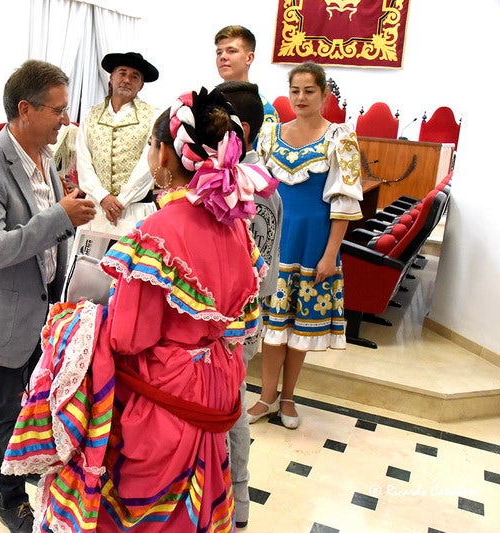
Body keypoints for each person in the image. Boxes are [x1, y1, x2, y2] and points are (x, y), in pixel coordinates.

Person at [2, 87, 278, 532]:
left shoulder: (158, 232)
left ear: (166, 156)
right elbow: (237, 323)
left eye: (151, 145)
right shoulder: (236, 225)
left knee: (145, 511)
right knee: (196, 496)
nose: (150, 154)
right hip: (213, 385)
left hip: (164, 396)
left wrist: (79, 318)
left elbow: (130, 336)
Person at [0, 59, 96, 533]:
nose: (65, 119)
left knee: (35, 403)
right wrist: (58, 217)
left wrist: (66, 214)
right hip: (6, 315)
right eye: (57, 110)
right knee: (5, 409)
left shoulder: (45, 161)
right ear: (25, 109)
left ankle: (26, 467)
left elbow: (43, 234)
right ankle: (10, 499)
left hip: (45, 312)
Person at [250, 61, 363, 429]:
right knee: (272, 326)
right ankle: (265, 397)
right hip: (274, 239)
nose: (300, 97)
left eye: (309, 91)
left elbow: (344, 204)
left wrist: (330, 254)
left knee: (299, 327)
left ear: (324, 95)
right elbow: (258, 192)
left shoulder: (340, 138)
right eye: (295, 90)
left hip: (314, 242)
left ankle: (288, 398)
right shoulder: (270, 134)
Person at [217, 80, 283, 529]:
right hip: (239, 322)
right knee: (229, 408)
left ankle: (233, 503)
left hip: (235, 324)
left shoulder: (250, 190)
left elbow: (248, 277)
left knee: (229, 412)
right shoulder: (252, 184)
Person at [75, 51, 159, 236]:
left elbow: (149, 163)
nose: (127, 79)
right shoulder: (91, 115)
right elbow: (82, 158)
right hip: (95, 208)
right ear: (111, 77)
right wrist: (102, 196)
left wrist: (121, 201)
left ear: (141, 85)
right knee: (88, 263)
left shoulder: (153, 116)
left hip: (134, 211)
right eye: (122, 73)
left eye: (134, 76)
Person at [215, 25, 280, 124]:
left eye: (231, 51)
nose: (223, 57)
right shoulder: (206, 101)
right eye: (219, 52)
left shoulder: (263, 110)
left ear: (249, 58)